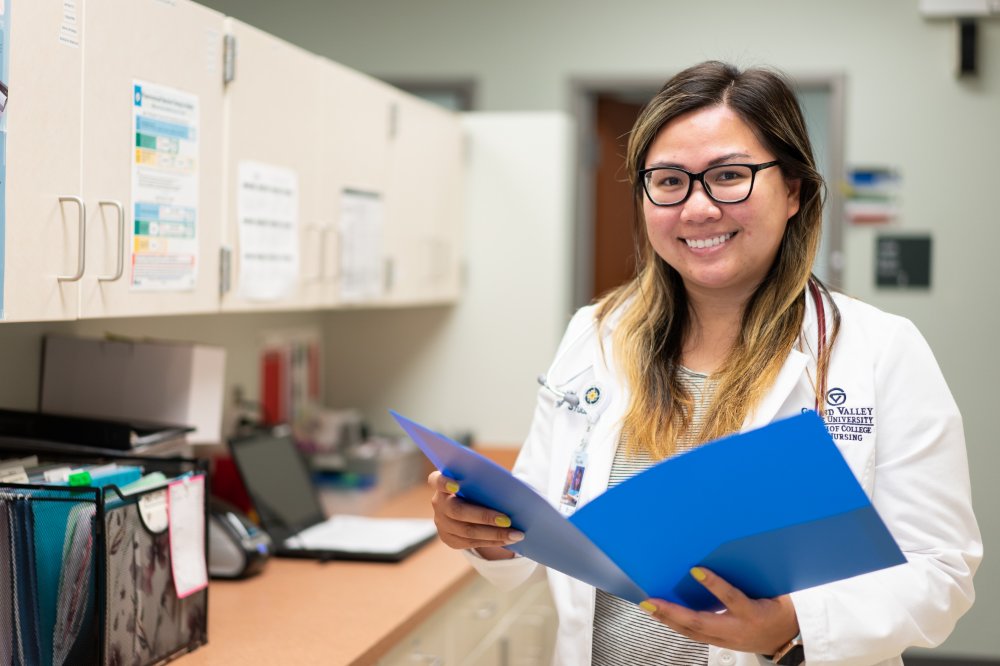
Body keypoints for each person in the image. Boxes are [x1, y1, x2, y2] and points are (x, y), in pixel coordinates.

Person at [428, 61, 981, 666]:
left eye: (729, 176)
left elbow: (940, 571)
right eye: (668, 181)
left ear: (793, 191)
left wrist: (792, 628)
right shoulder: (595, 334)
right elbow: (541, 524)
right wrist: (486, 536)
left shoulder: (879, 349)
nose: (697, 209)